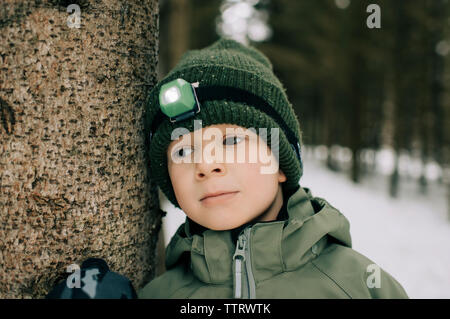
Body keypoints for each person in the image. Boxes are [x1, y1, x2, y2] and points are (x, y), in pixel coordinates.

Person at [138, 38, 408, 299]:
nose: (206, 165)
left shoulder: (360, 286)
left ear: (279, 163)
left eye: (231, 140)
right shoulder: (158, 294)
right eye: (183, 151)